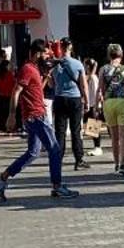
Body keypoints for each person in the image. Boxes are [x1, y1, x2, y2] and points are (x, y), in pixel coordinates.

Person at [0, 39, 75, 202]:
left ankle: (2, 178)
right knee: (55, 149)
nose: (47, 56)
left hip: (33, 115)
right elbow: (16, 91)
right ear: (37, 53)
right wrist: (11, 115)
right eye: (45, 53)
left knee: (33, 152)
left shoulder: (34, 69)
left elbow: (36, 89)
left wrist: (46, 75)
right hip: (35, 115)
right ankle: (57, 186)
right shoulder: (27, 69)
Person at [48, 38, 87, 173]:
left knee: (60, 131)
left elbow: (51, 85)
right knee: (76, 130)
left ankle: (58, 159)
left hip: (59, 98)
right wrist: (86, 99)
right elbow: (83, 84)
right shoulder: (77, 64)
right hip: (74, 97)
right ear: (70, 47)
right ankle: (79, 160)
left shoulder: (54, 65)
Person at [100, 44, 124, 176]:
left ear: (109, 55)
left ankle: (115, 164)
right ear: (120, 55)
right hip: (121, 102)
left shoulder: (103, 69)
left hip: (108, 103)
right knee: (123, 137)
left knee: (114, 137)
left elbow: (101, 89)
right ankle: (123, 164)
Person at [0, 50, 17, 133]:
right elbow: (14, 84)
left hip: (1, 95)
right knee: (8, 112)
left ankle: (2, 126)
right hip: (9, 95)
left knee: (2, 112)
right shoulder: (9, 75)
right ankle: (9, 127)